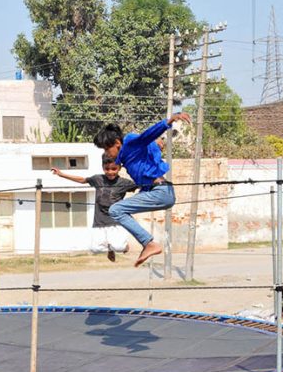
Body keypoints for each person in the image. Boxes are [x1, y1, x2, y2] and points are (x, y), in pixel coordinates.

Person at [93, 112, 192, 267]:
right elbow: (149, 148)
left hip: (160, 191)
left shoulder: (130, 142)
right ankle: (148, 244)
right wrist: (157, 144)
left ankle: (149, 243)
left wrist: (168, 121)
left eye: (106, 149)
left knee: (115, 210)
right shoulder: (126, 156)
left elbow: (146, 136)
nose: (106, 153)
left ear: (117, 143)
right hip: (158, 192)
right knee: (119, 210)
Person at [51, 155, 138, 262]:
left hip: (116, 220)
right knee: (95, 249)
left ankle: (124, 246)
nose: (110, 172)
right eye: (107, 169)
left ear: (119, 168)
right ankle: (110, 250)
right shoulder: (98, 179)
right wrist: (61, 174)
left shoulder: (124, 183)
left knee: (119, 247)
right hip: (99, 220)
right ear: (103, 168)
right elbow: (82, 180)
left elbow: (141, 185)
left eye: (114, 169)